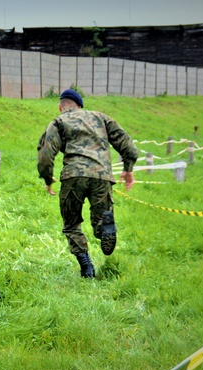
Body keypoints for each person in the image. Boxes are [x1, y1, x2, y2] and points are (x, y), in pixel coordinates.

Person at [37, 89, 139, 279]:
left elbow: (45, 152)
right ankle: (105, 228)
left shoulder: (58, 122)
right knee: (102, 216)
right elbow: (127, 144)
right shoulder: (100, 117)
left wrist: (47, 177)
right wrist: (128, 168)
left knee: (71, 223)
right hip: (102, 176)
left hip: (73, 175)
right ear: (80, 106)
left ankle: (86, 266)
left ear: (60, 106)